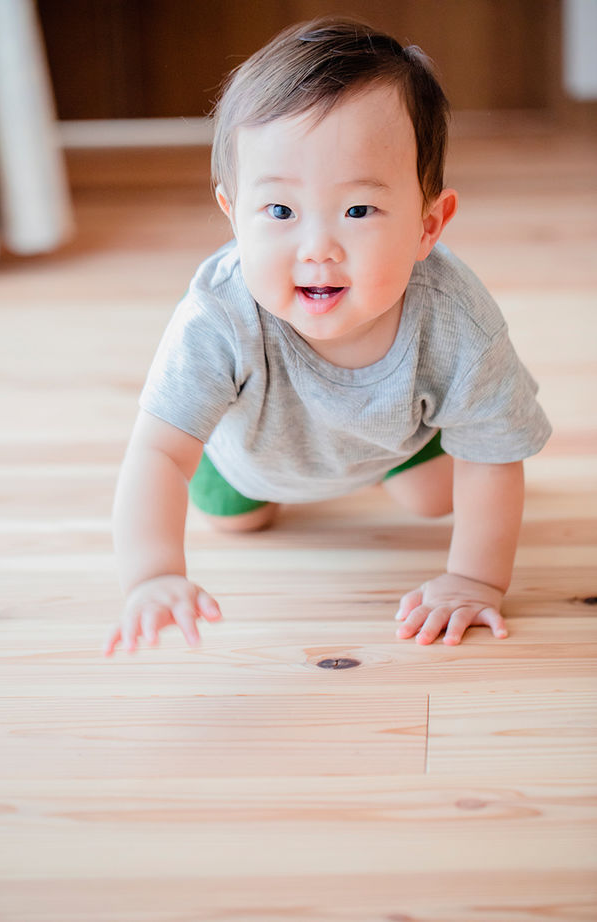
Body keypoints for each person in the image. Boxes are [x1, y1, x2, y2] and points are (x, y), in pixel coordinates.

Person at [103, 18, 551, 656]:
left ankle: (381, 467)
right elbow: (157, 454)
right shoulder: (219, 317)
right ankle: (251, 493)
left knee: (437, 497)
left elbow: (495, 450)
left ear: (429, 224)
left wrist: (474, 579)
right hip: (253, 462)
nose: (318, 250)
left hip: (392, 440)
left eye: (359, 210)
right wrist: (152, 576)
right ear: (234, 215)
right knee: (242, 522)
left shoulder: (457, 319)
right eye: (280, 212)